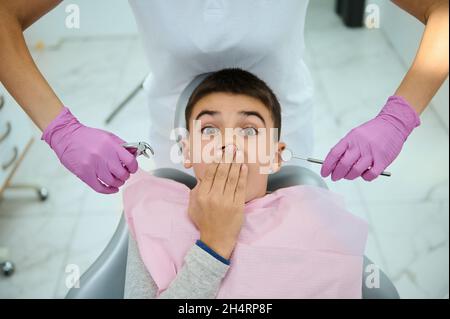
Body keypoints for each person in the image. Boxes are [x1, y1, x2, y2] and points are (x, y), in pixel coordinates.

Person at [0, 0, 448, 194]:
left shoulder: (301, 209)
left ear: (277, 150)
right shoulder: (160, 204)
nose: (229, 146)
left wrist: (397, 118)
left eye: (246, 132)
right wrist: (61, 129)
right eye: (215, 130)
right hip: (173, 142)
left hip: (287, 127)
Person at [123, 68, 369, 298]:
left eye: (249, 131)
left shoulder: (314, 224)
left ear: (275, 156)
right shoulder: (151, 215)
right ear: (186, 152)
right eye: (209, 129)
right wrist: (213, 246)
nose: (229, 142)